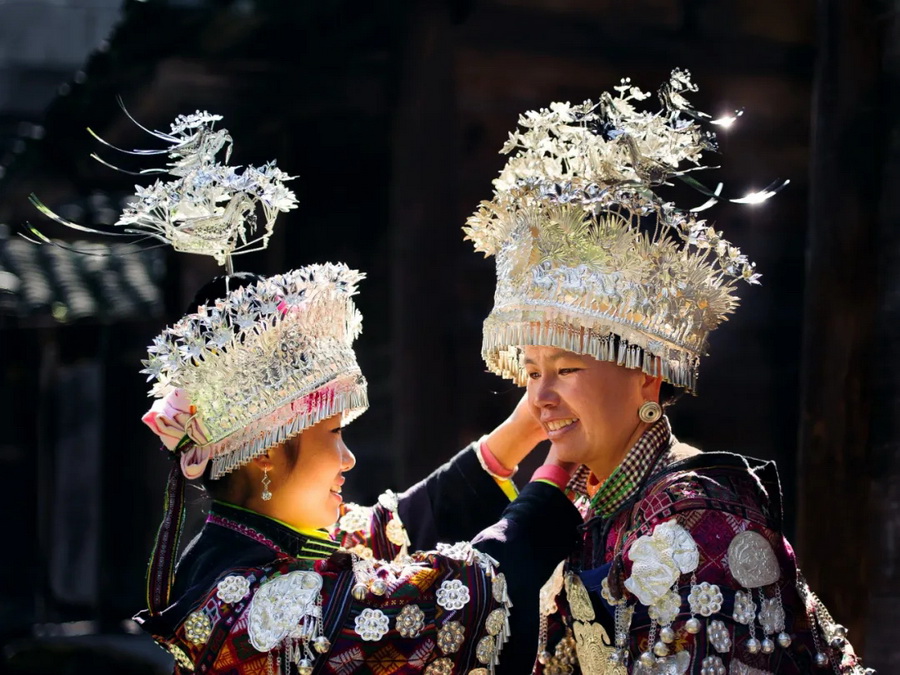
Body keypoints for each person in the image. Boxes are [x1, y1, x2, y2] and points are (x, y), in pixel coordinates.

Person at [59, 111, 584, 674]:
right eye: (333, 433)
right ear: (265, 451)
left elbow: (395, 529)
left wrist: (526, 425)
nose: (348, 457)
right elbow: (444, 606)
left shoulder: (251, 548)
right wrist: (555, 471)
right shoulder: (260, 608)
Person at [463, 69, 872, 674]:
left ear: (647, 376)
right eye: (531, 373)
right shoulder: (589, 508)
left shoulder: (700, 520)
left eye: (567, 367)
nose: (540, 397)